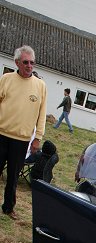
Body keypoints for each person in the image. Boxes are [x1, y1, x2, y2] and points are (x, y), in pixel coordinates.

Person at [0, 45, 47, 219]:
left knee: (13, 177)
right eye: (25, 62)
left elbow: (42, 114)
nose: (29, 66)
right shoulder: (6, 79)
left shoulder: (40, 86)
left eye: (32, 62)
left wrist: (38, 138)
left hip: (21, 140)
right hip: (1, 135)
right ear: (17, 62)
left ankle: (8, 207)